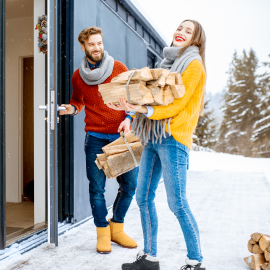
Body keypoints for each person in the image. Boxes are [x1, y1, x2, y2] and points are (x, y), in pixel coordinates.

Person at [107, 20, 207, 270]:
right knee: (143, 198)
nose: (180, 33)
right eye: (179, 28)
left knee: (178, 203)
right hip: (152, 137)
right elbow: (149, 96)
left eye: (188, 31)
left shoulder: (194, 65)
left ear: (196, 40)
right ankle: (149, 258)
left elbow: (176, 105)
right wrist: (129, 114)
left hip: (173, 139)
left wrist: (141, 108)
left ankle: (196, 262)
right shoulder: (166, 64)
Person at [59, 27, 138, 254]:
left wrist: (129, 117)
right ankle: (102, 232)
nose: (97, 48)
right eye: (92, 44)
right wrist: (70, 109)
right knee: (97, 189)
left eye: (99, 43)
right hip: (95, 138)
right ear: (83, 47)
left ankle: (117, 228)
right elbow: (78, 101)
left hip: (121, 136)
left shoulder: (118, 68)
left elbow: (133, 98)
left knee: (130, 185)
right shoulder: (78, 76)